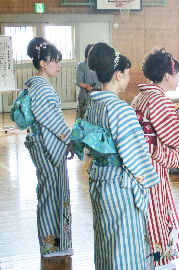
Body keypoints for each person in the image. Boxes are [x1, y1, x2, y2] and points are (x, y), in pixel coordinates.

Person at [76, 42, 161, 270]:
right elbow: (135, 154)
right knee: (125, 241)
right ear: (118, 75)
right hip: (119, 185)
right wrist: (149, 180)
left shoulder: (91, 107)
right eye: (125, 74)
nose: (127, 79)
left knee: (105, 239)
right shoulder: (121, 110)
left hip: (98, 179)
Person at [131, 48, 179, 269]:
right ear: (168, 75)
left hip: (138, 162)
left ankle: (147, 258)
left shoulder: (141, 96)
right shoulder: (160, 100)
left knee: (146, 211)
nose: (177, 78)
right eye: (176, 74)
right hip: (153, 166)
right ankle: (161, 261)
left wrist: (176, 118)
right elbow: (175, 138)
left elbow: (157, 127)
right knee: (157, 211)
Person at [24, 37, 73, 257]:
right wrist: (69, 139)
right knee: (49, 194)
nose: (58, 65)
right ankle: (50, 245)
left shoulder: (37, 85)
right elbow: (50, 119)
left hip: (43, 143)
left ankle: (57, 244)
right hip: (46, 145)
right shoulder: (41, 88)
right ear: (42, 63)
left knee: (52, 193)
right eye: (54, 61)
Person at [75, 44, 102, 119]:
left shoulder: (99, 66)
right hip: (85, 98)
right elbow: (78, 82)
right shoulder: (81, 66)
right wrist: (86, 86)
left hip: (98, 97)